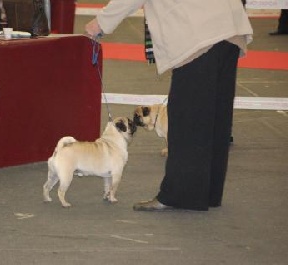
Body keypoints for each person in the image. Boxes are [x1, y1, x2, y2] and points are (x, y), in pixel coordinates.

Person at [85, 0, 253, 211]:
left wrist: (100, 23)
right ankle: (209, 191)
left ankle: (181, 195)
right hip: (229, 26)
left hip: (199, 31)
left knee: (187, 120)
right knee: (215, 117)